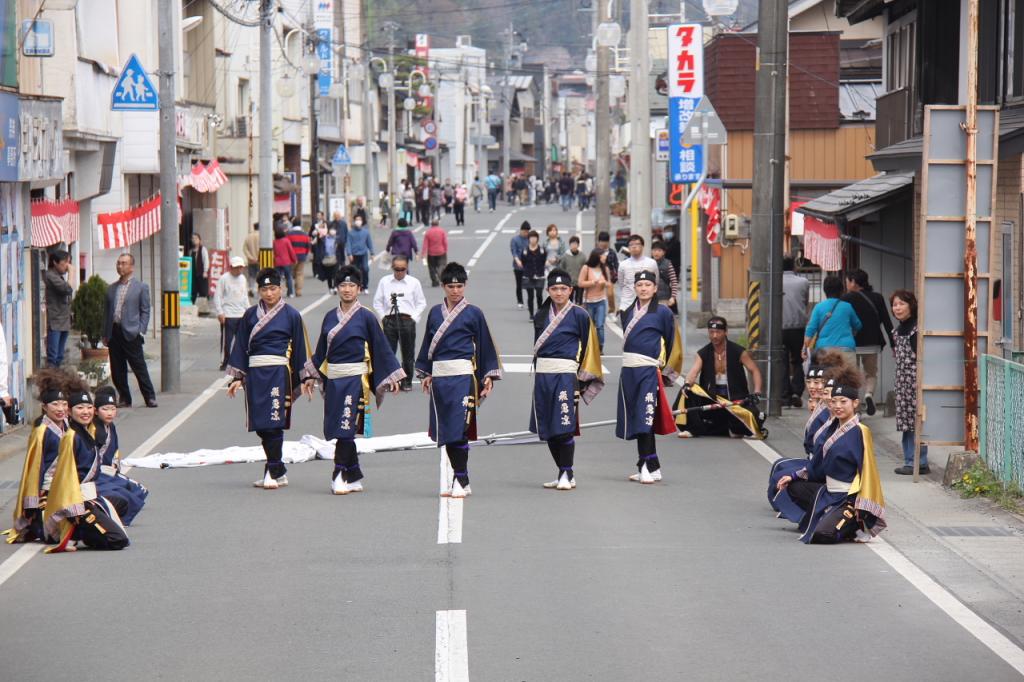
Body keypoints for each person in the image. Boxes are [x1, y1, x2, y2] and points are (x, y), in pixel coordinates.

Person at [312, 266, 404, 494]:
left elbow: (381, 348)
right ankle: (353, 475)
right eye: (343, 285)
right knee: (337, 427)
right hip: (334, 379)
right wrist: (308, 376)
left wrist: (393, 376)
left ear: (359, 289)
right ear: (337, 288)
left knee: (346, 428)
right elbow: (321, 351)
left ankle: (339, 473)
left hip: (355, 380)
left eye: (352, 285)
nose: (347, 289)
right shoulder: (329, 317)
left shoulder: (367, 317)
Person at [415, 262, 502, 498]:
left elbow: (485, 346)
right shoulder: (434, 313)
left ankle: (460, 479)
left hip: (464, 378)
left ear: (465, 286)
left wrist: (487, 377)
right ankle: (462, 479)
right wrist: (426, 373)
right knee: (446, 430)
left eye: (459, 286)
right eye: (451, 286)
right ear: (443, 287)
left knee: (459, 429)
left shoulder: (474, 313)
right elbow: (428, 345)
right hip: (440, 378)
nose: (455, 290)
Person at [226, 268, 317, 490]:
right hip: (256, 374)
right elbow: (240, 346)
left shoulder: (292, 315)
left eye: (273, 288)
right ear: (258, 291)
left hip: (279, 373)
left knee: (274, 423)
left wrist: (305, 378)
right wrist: (238, 376)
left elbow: (300, 350)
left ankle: (272, 470)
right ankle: (278, 471)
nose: (269, 293)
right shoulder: (249, 315)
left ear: (282, 289)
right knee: (261, 425)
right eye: (264, 289)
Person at [774, 368, 887, 544]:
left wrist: (860, 504)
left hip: (847, 497)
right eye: (834, 401)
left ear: (855, 403)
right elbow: (818, 463)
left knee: (822, 535)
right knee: (792, 485)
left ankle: (853, 524)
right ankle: (827, 515)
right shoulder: (833, 426)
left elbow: (867, 472)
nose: (838, 406)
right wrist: (794, 476)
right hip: (828, 491)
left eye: (843, 401)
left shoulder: (860, 432)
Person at [529, 269, 604, 490]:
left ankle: (567, 472)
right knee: (547, 427)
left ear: (571, 290)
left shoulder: (580, 315)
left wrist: (581, 378)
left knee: (564, 424)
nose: (559, 293)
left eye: (563, 289)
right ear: (548, 290)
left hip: (566, 376)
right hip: (544, 375)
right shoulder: (542, 315)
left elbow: (591, 347)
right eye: (554, 289)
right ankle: (562, 471)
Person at [44, 386, 131, 552]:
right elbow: (65, 477)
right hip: (76, 501)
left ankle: (87, 529)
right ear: (69, 412)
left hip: (90, 495)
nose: (86, 412)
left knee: (122, 502)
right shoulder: (70, 437)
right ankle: (78, 531)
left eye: (89, 407)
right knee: (117, 540)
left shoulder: (86, 432)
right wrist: (74, 511)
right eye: (80, 408)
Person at [616, 271, 682, 484]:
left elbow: (673, 344)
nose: (643, 288)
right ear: (635, 288)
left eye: (647, 285)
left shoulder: (663, 312)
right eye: (640, 285)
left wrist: (666, 374)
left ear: (655, 288)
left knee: (645, 418)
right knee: (638, 417)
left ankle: (644, 465)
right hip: (629, 371)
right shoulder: (626, 312)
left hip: (648, 371)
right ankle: (652, 466)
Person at [676, 317, 764, 438]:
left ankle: (719, 428)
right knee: (688, 391)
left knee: (752, 418)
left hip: (735, 400)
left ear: (726, 332)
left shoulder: (738, 351)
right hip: (712, 400)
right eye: (711, 332)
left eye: (718, 332)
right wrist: (686, 384)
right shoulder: (703, 353)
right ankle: (695, 429)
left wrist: (757, 392)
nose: (715, 336)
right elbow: (693, 373)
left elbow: (754, 370)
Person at [7, 369, 67, 544]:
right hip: (47, 489)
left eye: (64, 404)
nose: (61, 409)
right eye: (55, 404)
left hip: (67, 484)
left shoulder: (69, 426)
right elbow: (34, 468)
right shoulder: (41, 431)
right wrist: (33, 500)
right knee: (53, 534)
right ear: (44, 407)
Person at [104, 253, 157, 408]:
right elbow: (106, 312)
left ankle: (150, 397)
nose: (120, 266)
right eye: (118, 263)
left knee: (139, 366)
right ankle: (125, 398)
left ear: (131, 267)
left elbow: (145, 310)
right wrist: (105, 333)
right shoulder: (111, 288)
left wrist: (141, 330)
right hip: (114, 331)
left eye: (124, 263)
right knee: (117, 368)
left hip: (132, 332)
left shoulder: (141, 287)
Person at [92, 386, 148, 526]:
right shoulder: (94, 430)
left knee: (140, 491)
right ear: (96, 411)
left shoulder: (110, 426)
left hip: (109, 471)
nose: (110, 413)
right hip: (98, 474)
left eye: (112, 409)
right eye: (105, 409)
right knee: (129, 496)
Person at [842, 269, 894, 415]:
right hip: (873, 342)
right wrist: (893, 344)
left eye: (847, 281)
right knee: (871, 373)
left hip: (852, 343)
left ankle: (856, 408)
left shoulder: (845, 299)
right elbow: (887, 322)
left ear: (853, 282)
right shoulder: (877, 298)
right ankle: (868, 395)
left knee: (852, 375)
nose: (846, 284)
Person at [373, 256, 427, 392]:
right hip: (389, 320)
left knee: (408, 353)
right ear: (392, 268)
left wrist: (413, 318)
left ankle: (407, 380)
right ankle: (391, 380)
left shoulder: (413, 282)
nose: (399, 272)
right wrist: (383, 317)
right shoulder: (384, 282)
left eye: (402, 269)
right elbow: (377, 302)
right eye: (397, 269)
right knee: (388, 353)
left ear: (407, 268)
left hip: (407, 320)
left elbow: (421, 302)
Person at [891, 290, 928, 475]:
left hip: (915, 382)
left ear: (911, 306)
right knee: (906, 424)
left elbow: (922, 358)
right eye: (895, 304)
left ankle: (917, 461)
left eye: (901, 304)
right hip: (903, 383)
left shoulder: (916, 329)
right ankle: (911, 460)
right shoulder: (897, 330)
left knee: (917, 422)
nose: (897, 308)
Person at [803, 275, 861, 367]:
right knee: (848, 379)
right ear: (841, 290)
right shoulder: (847, 306)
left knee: (826, 378)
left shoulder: (819, 307)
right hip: (846, 349)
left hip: (824, 351)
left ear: (825, 290)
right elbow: (858, 325)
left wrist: (804, 348)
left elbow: (811, 330)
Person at [782, 256, 810, 407]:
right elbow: (805, 302)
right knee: (799, 360)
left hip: (779, 328)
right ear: (793, 266)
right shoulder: (803, 282)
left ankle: (784, 396)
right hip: (798, 326)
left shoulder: (773, 282)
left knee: (782, 361)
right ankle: (796, 392)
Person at [213, 256, 250, 371]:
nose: (239, 270)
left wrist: (248, 311)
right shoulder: (224, 278)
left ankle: (240, 362)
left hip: (241, 314)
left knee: (242, 341)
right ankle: (225, 362)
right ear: (231, 267)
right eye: (237, 267)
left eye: (241, 267)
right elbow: (217, 296)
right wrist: (220, 312)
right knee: (227, 341)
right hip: (228, 315)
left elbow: (244, 296)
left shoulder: (243, 279)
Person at [616, 234, 658, 317]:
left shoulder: (651, 263)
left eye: (637, 244)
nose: (634, 247)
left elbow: (656, 282)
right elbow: (621, 284)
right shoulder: (623, 265)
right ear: (628, 247)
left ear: (642, 246)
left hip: (646, 305)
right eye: (631, 245)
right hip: (627, 305)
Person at [44, 250, 73, 367]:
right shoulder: (50, 275)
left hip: (64, 321)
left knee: (60, 356)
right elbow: (67, 289)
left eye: (69, 262)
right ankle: (51, 382)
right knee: (53, 356)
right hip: (55, 321)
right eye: (65, 262)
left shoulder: (58, 276)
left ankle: (57, 381)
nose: (67, 266)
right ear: (55, 262)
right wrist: (72, 273)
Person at [578, 249, 610, 350]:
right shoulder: (586, 268)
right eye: (603, 256)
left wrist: (604, 283)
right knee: (590, 326)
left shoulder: (605, 269)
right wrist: (593, 282)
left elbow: (609, 284)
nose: (605, 258)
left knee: (600, 325)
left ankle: (600, 346)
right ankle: (589, 346)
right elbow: (580, 283)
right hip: (589, 301)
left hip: (601, 300)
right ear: (597, 257)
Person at [520, 230, 547, 318]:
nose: (533, 239)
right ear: (528, 239)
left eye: (535, 238)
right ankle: (531, 314)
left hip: (540, 275)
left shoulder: (542, 250)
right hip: (528, 275)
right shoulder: (525, 251)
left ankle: (539, 311)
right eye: (531, 238)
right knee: (530, 296)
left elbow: (543, 261)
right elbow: (523, 262)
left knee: (539, 295)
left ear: (537, 239)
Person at [346, 214, 374, 294]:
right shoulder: (350, 233)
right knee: (355, 272)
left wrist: (372, 253)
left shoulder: (366, 232)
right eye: (357, 220)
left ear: (362, 221)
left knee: (365, 269)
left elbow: (369, 243)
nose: (358, 221)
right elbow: (348, 244)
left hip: (363, 254)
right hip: (354, 255)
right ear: (354, 221)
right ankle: (358, 287)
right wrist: (349, 254)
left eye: (360, 220)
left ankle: (365, 286)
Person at [314, 223, 345, 290]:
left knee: (336, 273)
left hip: (336, 258)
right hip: (326, 258)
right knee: (329, 274)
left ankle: (335, 287)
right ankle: (330, 287)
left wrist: (342, 261)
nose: (332, 231)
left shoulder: (339, 239)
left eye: (334, 229)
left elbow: (341, 250)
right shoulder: (324, 238)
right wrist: (318, 233)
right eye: (331, 229)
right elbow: (319, 243)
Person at [650, 240, 679, 312]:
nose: (656, 252)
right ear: (652, 251)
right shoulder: (648, 263)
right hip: (650, 297)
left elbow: (674, 281)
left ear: (663, 252)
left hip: (664, 298)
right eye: (654, 250)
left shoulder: (668, 264)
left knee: (663, 317)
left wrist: (673, 297)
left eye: (659, 250)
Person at [557, 235, 587, 304]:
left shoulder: (582, 256)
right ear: (570, 245)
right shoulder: (565, 256)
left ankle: (577, 313)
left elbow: (585, 269)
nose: (574, 246)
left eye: (576, 244)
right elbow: (562, 268)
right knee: (569, 301)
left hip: (579, 283)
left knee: (579, 301)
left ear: (578, 245)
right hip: (569, 283)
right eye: (572, 244)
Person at [287, 219, 311, 297]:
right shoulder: (305, 234)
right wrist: (305, 254)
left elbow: (287, 246)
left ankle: (290, 290)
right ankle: (298, 291)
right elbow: (308, 246)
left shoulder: (289, 234)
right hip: (302, 256)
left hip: (291, 258)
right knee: (299, 274)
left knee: (289, 274)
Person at [509, 221, 530, 309]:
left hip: (528, 266)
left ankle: (530, 301)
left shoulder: (530, 239)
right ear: (521, 230)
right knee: (519, 284)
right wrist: (517, 260)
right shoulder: (515, 240)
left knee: (529, 285)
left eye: (527, 231)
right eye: (524, 231)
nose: (526, 233)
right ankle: (520, 301)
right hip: (518, 266)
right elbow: (514, 251)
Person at [273, 225, 297, 297]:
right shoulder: (286, 241)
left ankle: (277, 293)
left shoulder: (274, 242)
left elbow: (273, 252)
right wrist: (294, 259)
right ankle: (290, 293)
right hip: (286, 262)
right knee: (288, 277)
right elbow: (291, 251)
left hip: (277, 262)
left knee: (277, 279)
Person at [189, 233, 210, 306]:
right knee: (193, 290)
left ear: (199, 240)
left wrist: (205, 271)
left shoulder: (203, 249)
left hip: (201, 273)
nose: (194, 240)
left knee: (203, 291)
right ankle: (193, 305)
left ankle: (204, 307)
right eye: (193, 238)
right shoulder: (191, 251)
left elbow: (206, 260)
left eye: (196, 238)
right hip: (193, 273)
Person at [243, 222, 261, 293]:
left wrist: (250, 257)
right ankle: (260, 289)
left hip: (251, 260)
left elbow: (244, 249)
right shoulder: (262, 236)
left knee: (251, 275)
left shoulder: (248, 236)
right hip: (260, 260)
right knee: (261, 275)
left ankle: (251, 288)